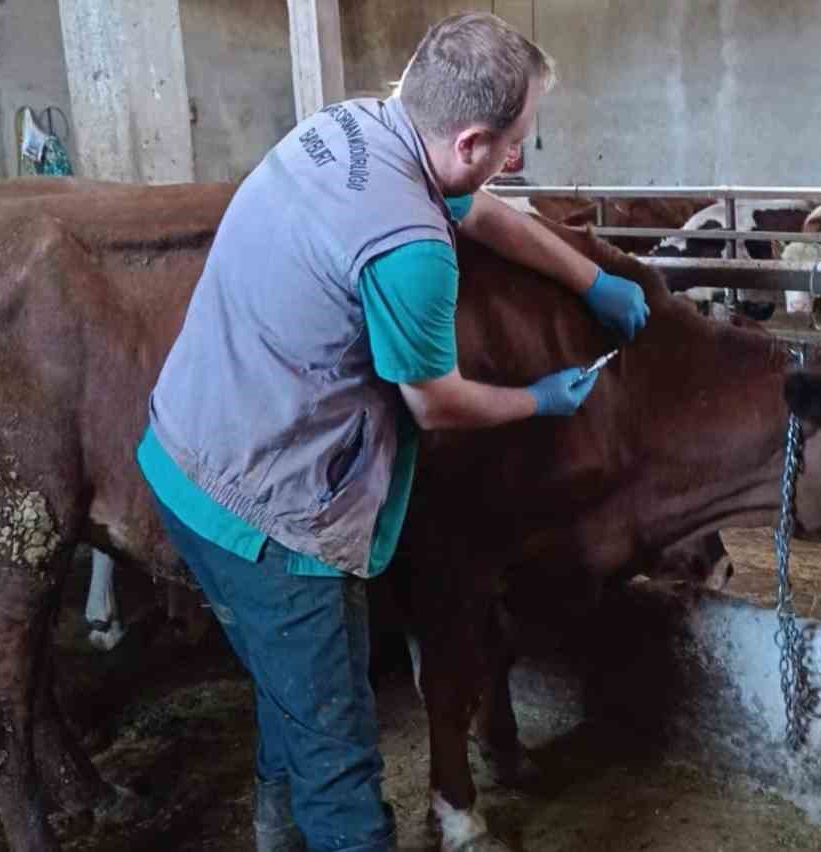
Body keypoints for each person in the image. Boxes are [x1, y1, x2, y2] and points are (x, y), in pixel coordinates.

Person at [138, 11, 647, 852]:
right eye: (516, 141)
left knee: (291, 689)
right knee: (342, 767)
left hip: (182, 449)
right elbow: (436, 405)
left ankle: (276, 831)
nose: (517, 156)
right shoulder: (412, 247)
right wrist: (540, 400)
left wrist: (589, 277)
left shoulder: (350, 127)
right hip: (269, 515)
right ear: (474, 139)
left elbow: (474, 208)